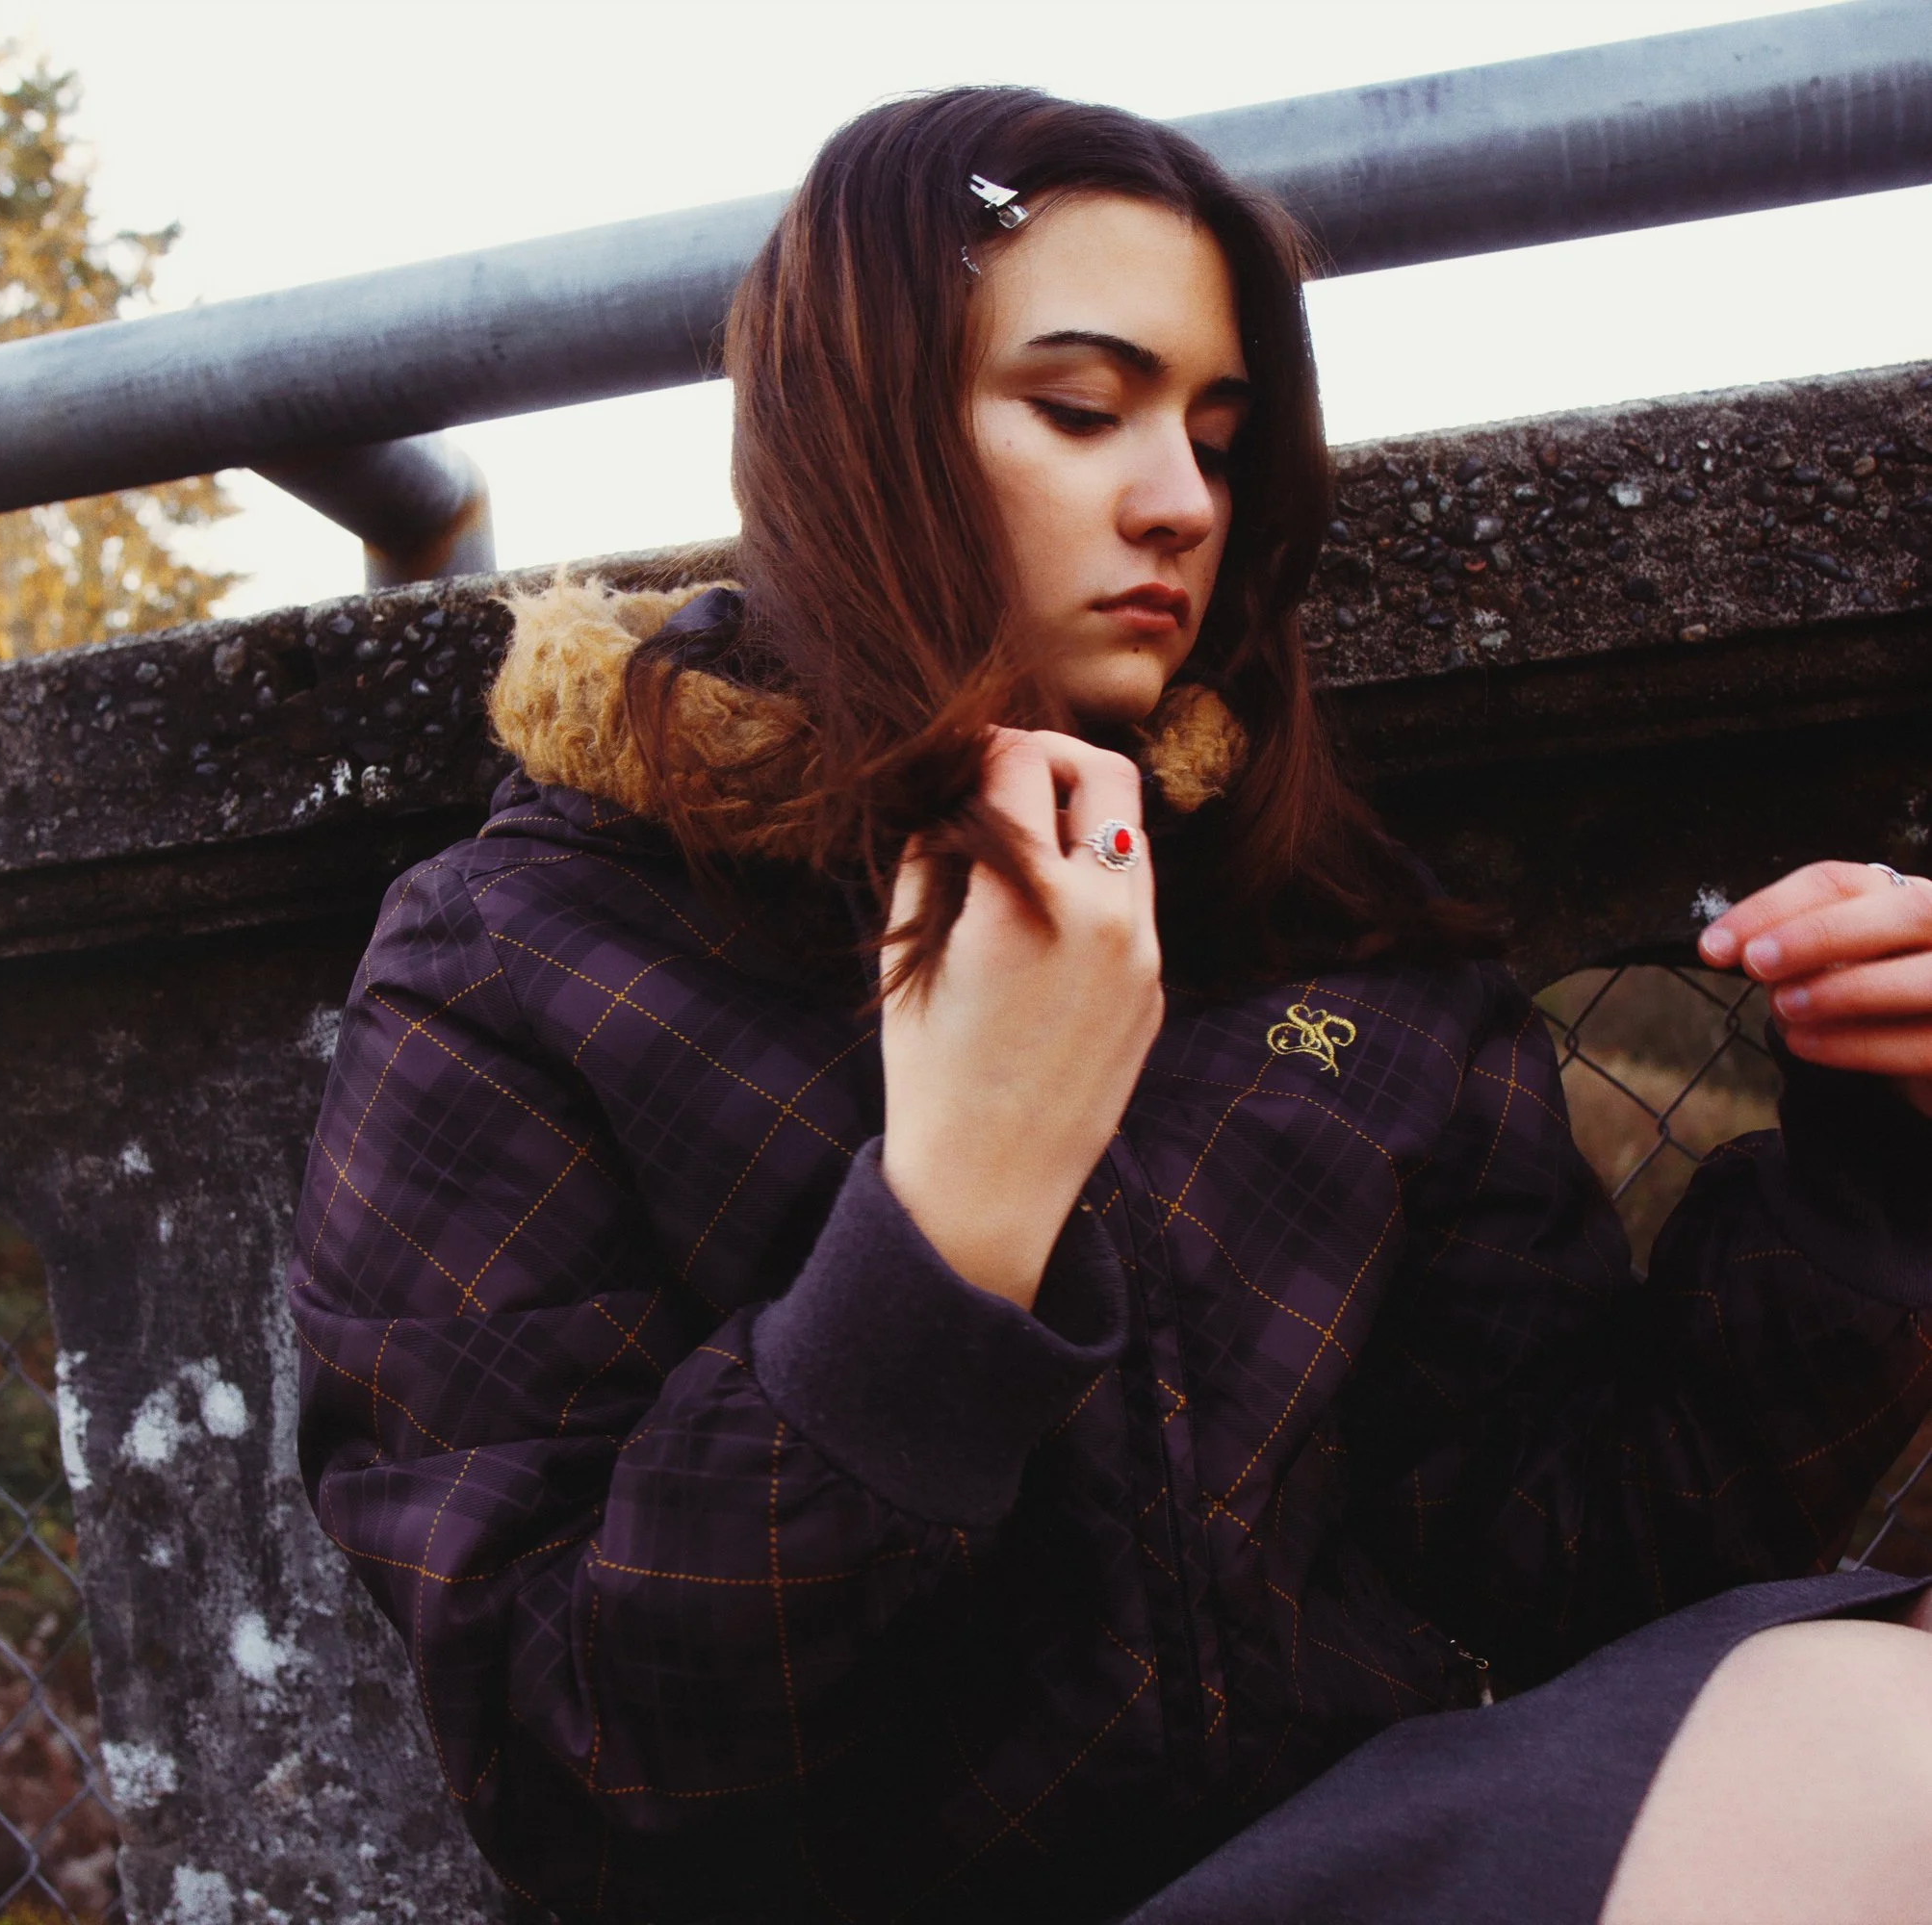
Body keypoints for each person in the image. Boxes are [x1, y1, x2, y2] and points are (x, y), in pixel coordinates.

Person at [287, 87, 1932, 1925]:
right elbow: (583, 1768)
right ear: (860, 429)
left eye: (1219, 441)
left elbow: (1581, 1556)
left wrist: (1885, 1172)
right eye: (1081, 410)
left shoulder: (1333, 941)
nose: (1177, 504)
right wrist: (946, 1242)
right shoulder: (525, 963)